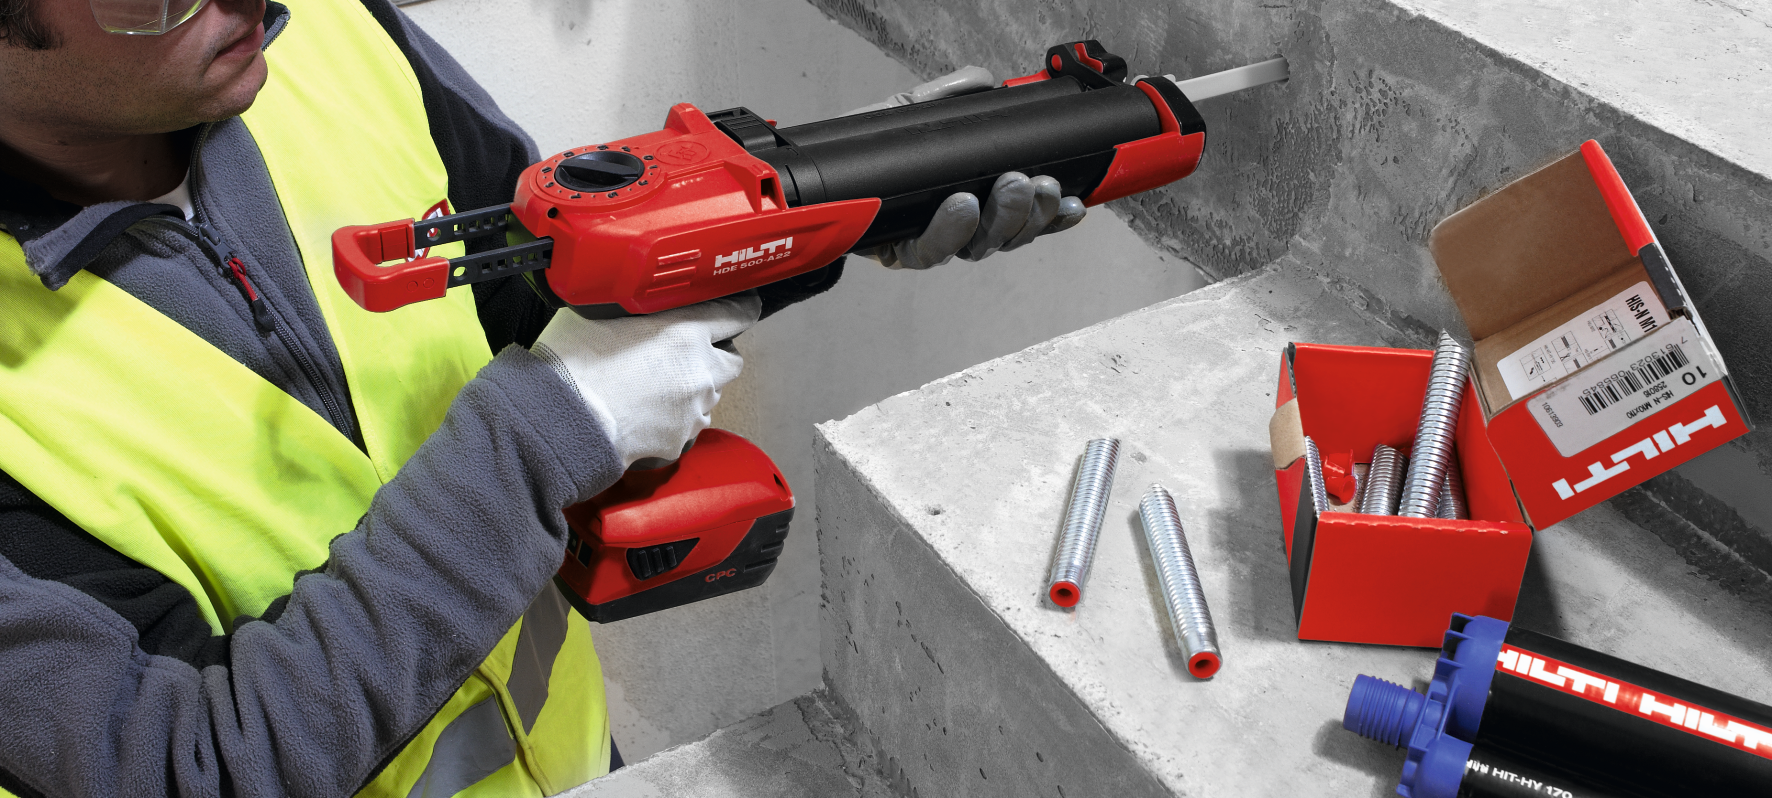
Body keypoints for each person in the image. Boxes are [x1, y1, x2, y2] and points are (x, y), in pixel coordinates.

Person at [0, 0, 1083, 793]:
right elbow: (186, 764)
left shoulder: (326, 35)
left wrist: (818, 200)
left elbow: (535, 294)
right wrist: (546, 431)